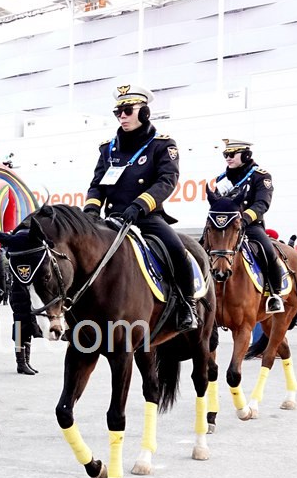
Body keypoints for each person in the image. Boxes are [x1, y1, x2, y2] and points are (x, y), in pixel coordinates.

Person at [83, 84, 195, 330]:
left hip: (145, 218)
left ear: (144, 113)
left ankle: (187, 305)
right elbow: (97, 184)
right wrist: (91, 210)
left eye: (127, 110)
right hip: (110, 220)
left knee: (178, 252)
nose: (121, 116)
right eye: (117, 112)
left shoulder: (162, 145)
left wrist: (139, 206)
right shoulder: (108, 148)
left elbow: (167, 181)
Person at [210, 139, 284, 314]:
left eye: (231, 154)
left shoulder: (260, 176)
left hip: (250, 225)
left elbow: (262, 203)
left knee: (269, 253)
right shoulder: (222, 179)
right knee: (200, 249)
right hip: (224, 228)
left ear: (246, 154)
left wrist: (243, 219)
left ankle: (275, 294)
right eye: (225, 155)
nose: (227, 158)